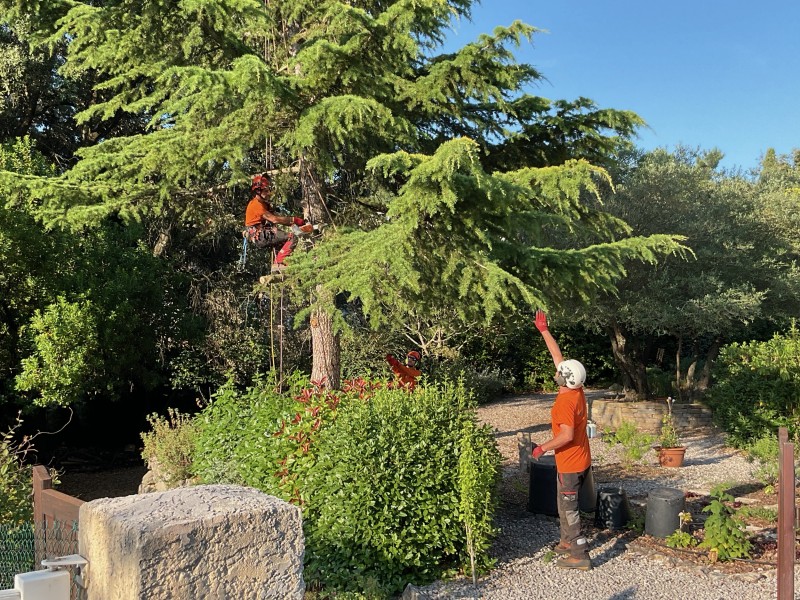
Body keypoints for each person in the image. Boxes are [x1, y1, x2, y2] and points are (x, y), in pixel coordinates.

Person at [531, 309, 592, 570]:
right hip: (579, 459)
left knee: (569, 507)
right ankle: (566, 541)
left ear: (565, 379)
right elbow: (558, 358)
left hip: (570, 464)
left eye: (559, 372)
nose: (555, 371)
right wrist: (544, 331)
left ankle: (579, 554)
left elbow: (566, 435)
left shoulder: (565, 404)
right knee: (562, 501)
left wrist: (541, 449)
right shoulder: (575, 389)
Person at [244, 173, 308, 273]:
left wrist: (292, 223)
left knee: (283, 242)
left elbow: (276, 218)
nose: (268, 193)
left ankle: (281, 264)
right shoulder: (256, 205)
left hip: (263, 235)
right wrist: (294, 220)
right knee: (292, 237)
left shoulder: (264, 204)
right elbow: (274, 219)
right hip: (260, 236)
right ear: (258, 191)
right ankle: (278, 262)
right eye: (266, 191)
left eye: (268, 190)